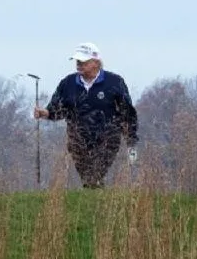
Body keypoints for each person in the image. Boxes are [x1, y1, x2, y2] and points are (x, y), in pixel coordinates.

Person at [34, 42, 138, 188]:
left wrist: (131, 138)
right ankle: (96, 200)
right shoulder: (68, 83)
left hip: (108, 137)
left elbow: (127, 112)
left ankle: (95, 195)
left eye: (83, 61)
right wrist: (45, 113)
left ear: (96, 62)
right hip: (77, 138)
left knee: (95, 174)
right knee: (88, 177)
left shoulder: (115, 82)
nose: (79, 64)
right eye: (77, 61)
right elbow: (58, 109)